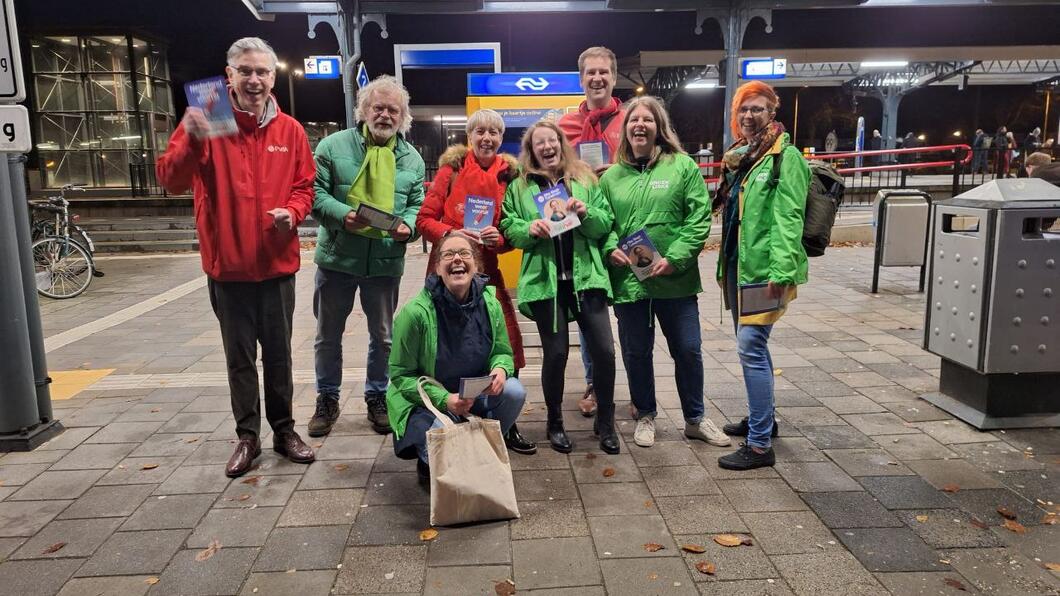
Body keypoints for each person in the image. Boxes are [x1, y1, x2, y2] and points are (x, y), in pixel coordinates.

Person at [156, 37, 316, 477]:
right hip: (228, 268)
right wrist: (190, 134)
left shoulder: (291, 131)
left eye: (263, 72)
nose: (254, 79)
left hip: (277, 265)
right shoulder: (207, 120)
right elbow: (171, 180)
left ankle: (284, 430)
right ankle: (248, 437)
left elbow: (306, 186)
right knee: (239, 358)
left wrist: (295, 211)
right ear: (229, 75)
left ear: (273, 76)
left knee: (280, 355)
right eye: (245, 70)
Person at [599, 95, 730, 450]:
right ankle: (645, 414)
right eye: (632, 121)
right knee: (636, 352)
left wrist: (675, 257)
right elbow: (604, 222)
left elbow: (698, 217)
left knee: (688, 349)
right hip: (630, 282)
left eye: (647, 120)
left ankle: (695, 418)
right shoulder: (611, 177)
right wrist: (611, 245)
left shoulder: (682, 167)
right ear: (625, 131)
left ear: (659, 128)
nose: (639, 125)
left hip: (675, 279)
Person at [308, 75, 425, 437]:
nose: (385, 115)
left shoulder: (412, 158)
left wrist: (409, 225)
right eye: (379, 107)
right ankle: (327, 397)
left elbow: (418, 204)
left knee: (384, 336)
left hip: (385, 262)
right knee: (328, 334)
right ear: (364, 110)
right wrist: (343, 215)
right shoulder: (332, 146)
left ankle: (377, 396)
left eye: (393, 110)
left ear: (403, 116)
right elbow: (313, 193)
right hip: (337, 259)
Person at [415, 108, 535, 455]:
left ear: (501, 138)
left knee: (506, 345)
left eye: (494, 132)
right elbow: (424, 219)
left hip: (488, 274)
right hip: (448, 273)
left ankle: (506, 421)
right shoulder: (451, 170)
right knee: (446, 347)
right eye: (480, 131)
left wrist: (502, 239)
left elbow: (514, 227)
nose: (487, 138)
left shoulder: (510, 175)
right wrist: (452, 232)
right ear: (470, 135)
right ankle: (445, 412)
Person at [499, 120, 619, 454]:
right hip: (546, 283)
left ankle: (606, 423)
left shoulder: (583, 177)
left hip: (587, 279)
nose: (547, 147)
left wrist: (587, 211)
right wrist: (528, 229)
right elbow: (509, 225)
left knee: (605, 352)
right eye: (540, 143)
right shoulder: (520, 187)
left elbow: (605, 222)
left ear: (561, 143)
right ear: (531, 150)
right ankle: (554, 422)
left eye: (552, 140)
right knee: (556, 355)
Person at [714, 81, 810, 470]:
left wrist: (783, 269)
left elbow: (789, 218)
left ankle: (758, 446)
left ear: (773, 112)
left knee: (750, 346)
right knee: (754, 346)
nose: (749, 116)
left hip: (765, 270)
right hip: (739, 267)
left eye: (757, 109)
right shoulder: (741, 157)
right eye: (743, 110)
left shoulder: (784, 158)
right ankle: (763, 421)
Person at [387, 234, 528, 486]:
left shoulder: (489, 302)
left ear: (476, 264)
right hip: (428, 402)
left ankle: (479, 448)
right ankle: (430, 455)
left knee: (514, 391)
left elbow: (502, 351)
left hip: (473, 395)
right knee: (445, 450)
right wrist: (445, 400)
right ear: (438, 267)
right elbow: (400, 376)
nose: (457, 260)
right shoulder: (414, 314)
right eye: (448, 255)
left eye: (464, 253)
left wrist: (501, 369)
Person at [557, 46, 627, 418]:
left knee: (632, 315)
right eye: (590, 73)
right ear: (581, 79)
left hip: (627, 227)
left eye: (604, 72)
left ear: (614, 77)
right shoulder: (566, 125)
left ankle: (637, 389)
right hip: (583, 230)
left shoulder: (631, 119)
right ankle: (594, 385)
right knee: (590, 315)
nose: (597, 78)